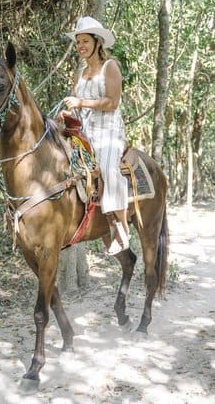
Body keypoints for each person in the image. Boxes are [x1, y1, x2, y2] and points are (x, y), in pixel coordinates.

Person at [61, 16, 129, 255]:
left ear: (97, 42)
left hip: (108, 129)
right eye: (78, 41)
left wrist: (82, 101)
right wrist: (69, 111)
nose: (81, 45)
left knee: (108, 170)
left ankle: (120, 227)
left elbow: (112, 102)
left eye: (85, 41)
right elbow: (77, 105)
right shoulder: (81, 72)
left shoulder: (110, 67)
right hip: (85, 129)